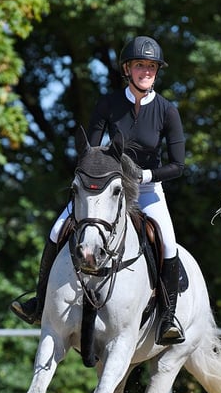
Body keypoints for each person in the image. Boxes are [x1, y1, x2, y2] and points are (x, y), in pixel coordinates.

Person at [11, 35, 186, 345]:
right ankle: (39, 303)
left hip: (146, 190)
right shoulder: (109, 103)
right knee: (56, 230)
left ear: (157, 71)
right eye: (140, 65)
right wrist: (101, 176)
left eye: (151, 66)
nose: (146, 71)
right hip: (105, 189)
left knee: (168, 244)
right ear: (127, 69)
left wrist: (144, 175)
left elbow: (178, 165)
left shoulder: (166, 111)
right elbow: (90, 149)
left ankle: (168, 318)